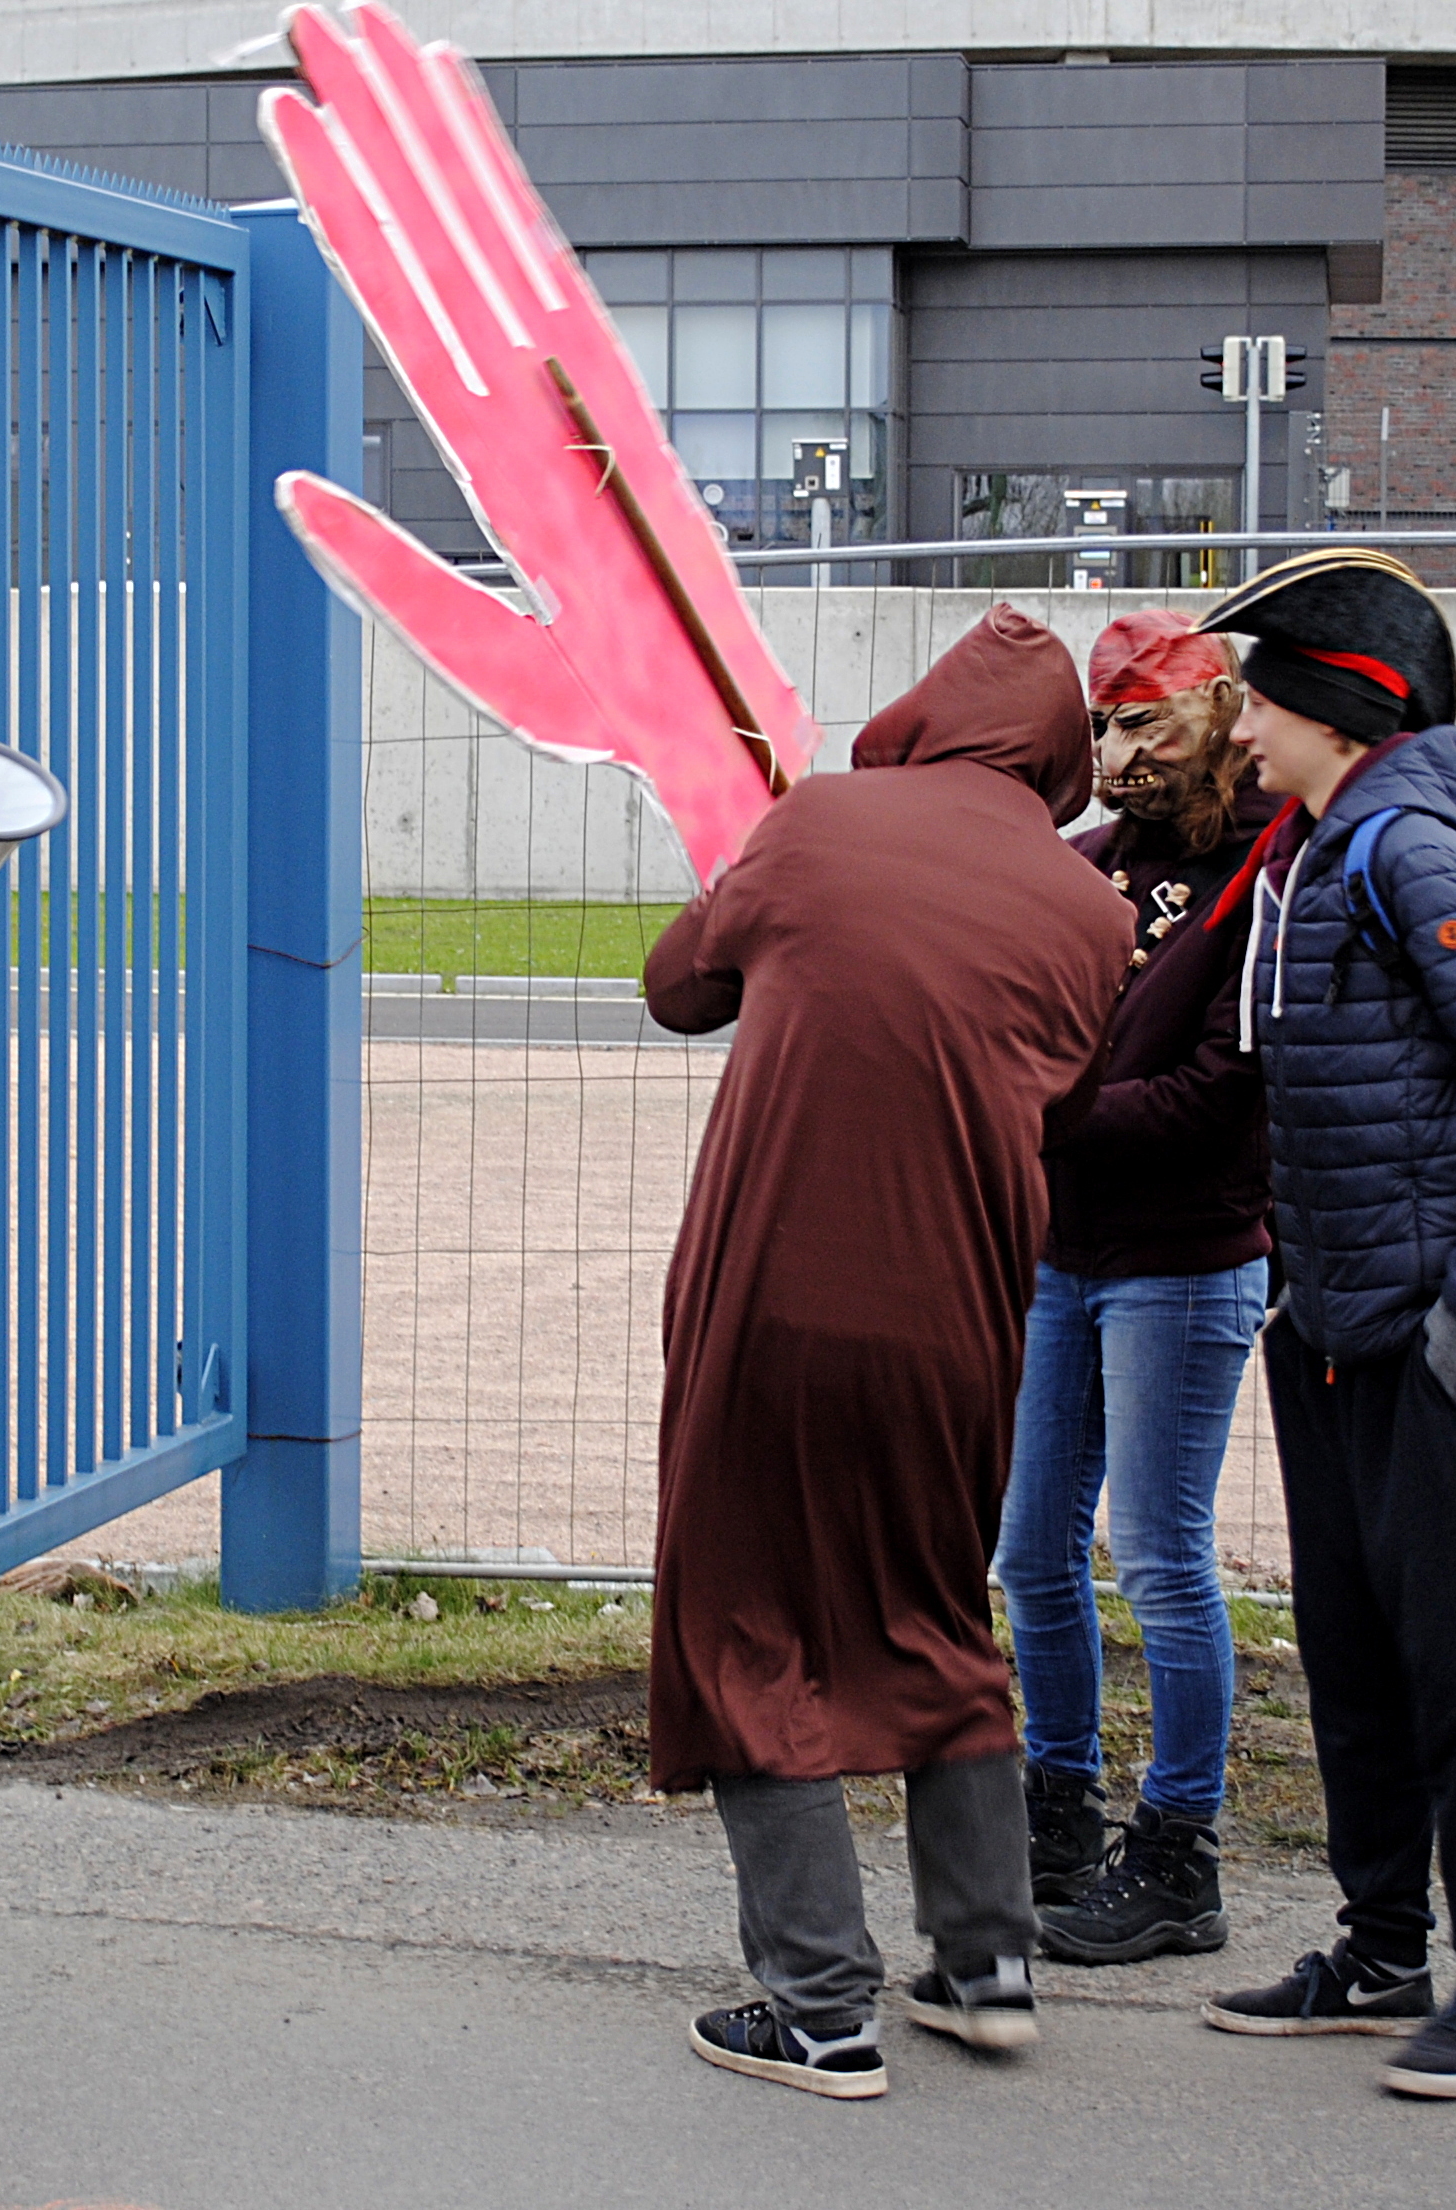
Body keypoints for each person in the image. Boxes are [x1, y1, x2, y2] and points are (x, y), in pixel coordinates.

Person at [647, 603, 1134, 2101]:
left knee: (748, 1617)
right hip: (965, 1311)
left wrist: (763, 866)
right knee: (933, 1603)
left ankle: (815, 2006)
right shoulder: (1090, 909)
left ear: (923, 709)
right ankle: (986, 1964)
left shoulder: (818, 825)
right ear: (1056, 758)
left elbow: (678, 987)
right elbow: (1061, 1092)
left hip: (776, 1292)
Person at [1188, 548, 1456, 2102]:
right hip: (1334, 1313)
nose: (1238, 731)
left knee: (1455, 1650)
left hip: (1434, 1325)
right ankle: (1378, 1949)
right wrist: (1308, 1293)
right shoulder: (1315, 843)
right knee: (1353, 1640)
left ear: (1335, 708)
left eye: (1256, 703)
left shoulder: (1405, 849)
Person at [994, 611, 1279, 1964]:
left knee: (1160, 1556)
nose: (1117, 752)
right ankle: (1054, 1810)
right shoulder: (1082, 868)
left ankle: (1178, 1851)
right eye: (1103, 724)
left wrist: (1041, 1115)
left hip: (1185, 1258)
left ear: (1218, 709)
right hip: (1062, 1253)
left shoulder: (1262, 870)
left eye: (1145, 719)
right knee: (1028, 1546)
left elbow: (1223, 1090)